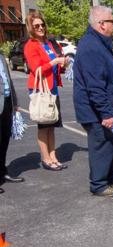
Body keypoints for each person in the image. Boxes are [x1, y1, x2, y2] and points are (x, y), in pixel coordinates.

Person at [73, 5, 113, 197]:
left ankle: (112, 176)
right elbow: (95, 85)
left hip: (108, 108)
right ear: (101, 24)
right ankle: (98, 184)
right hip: (96, 111)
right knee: (101, 145)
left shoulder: (100, 42)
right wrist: (106, 112)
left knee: (111, 142)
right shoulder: (91, 45)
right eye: (112, 21)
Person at [24, 12, 67, 171]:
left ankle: (53, 156)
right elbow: (37, 69)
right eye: (37, 26)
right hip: (41, 89)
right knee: (43, 125)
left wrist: (63, 63)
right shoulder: (31, 45)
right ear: (31, 28)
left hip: (52, 87)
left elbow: (55, 63)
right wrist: (55, 61)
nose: (41, 28)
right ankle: (46, 158)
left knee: (52, 124)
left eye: (42, 25)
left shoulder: (49, 43)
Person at [0, 49, 23, 192]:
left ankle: (2, 173)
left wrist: (15, 103)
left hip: (7, 101)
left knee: (4, 140)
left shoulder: (1, 55)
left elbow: (8, 79)